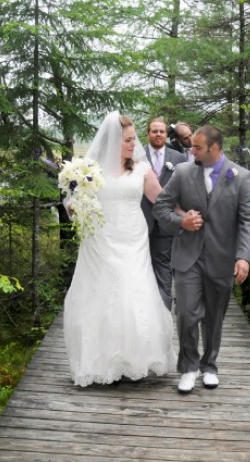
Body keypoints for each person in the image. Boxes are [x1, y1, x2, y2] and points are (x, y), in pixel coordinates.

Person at [64, 112, 176, 387]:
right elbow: (73, 203)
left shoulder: (141, 168)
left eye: (133, 138)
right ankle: (100, 361)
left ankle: (133, 358)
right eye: (128, 139)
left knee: (132, 291)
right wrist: (73, 207)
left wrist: (185, 217)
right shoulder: (89, 170)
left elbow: (161, 201)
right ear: (114, 140)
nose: (133, 143)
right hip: (100, 240)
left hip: (133, 239)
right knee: (101, 294)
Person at [153, 125, 250, 393]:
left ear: (214, 148)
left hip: (222, 259)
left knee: (214, 317)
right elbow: (161, 206)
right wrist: (181, 222)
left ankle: (209, 366)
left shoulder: (241, 177)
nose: (191, 150)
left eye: (197, 147)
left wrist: (243, 257)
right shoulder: (183, 172)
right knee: (187, 313)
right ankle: (188, 367)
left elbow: (249, 219)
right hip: (188, 257)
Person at [141, 118, 188, 310]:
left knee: (164, 267)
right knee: (140, 266)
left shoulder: (178, 158)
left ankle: (163, 310)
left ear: (167, 135)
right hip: (141, 221)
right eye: (154, 131)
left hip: (167, 223)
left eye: (161, 131)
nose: (158, 134)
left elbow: (183, 189)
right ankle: (142, 308)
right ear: (148, 133)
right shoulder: (138, 156)